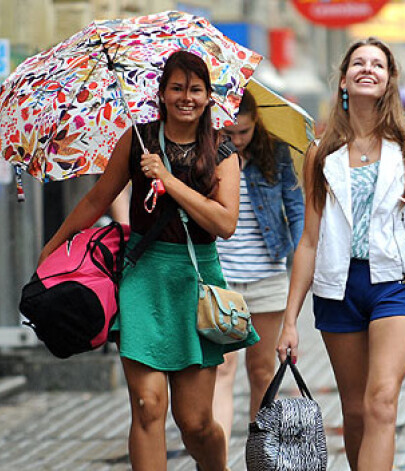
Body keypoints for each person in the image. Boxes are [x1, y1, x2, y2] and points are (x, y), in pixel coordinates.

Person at [37, 50, 259, 471]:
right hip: (143, 277)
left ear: (208, 97)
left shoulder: (223, 152)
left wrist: (169, 180)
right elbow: (96, 199)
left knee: (194, 422)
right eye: (176, 88)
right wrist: (55, 245)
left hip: (196, 280)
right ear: (160, 93)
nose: (186, 98)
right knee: (147, 405)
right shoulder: (137, 139)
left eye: (195, 89)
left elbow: (225, 222)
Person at [276, 37, 405, 471]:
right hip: (337, 288)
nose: (368, 69)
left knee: (382, 400)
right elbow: (308, 240)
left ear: (389, 81)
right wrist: (289, 321)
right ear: (344, 79)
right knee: (356, 411)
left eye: (378, 65)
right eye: (359, 63)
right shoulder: (320, 152)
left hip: (397, 283)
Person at [212, 89, 304, 449]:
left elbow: (295, 210)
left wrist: (299, 265)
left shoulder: (275, 154)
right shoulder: (209, 156)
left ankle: (259, 454)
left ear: (256, 126)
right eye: (229, 133)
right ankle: (216, 461)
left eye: (243, 132)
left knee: (263, 371)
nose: (236, 140)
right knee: (222, 369)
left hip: (267, 275)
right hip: (221, 277)